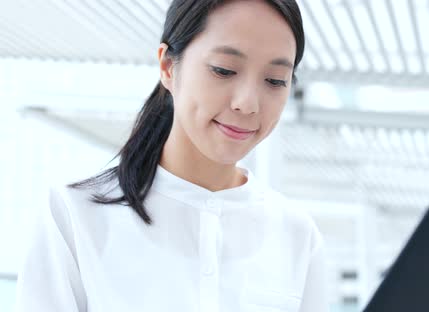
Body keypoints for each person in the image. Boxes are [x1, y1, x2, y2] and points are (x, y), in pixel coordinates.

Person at [14, 0, 327, 311]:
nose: (248, 104)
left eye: (274, 80)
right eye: (224, 70)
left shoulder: (297, 235)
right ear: (167, 66)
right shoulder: (75, 215)